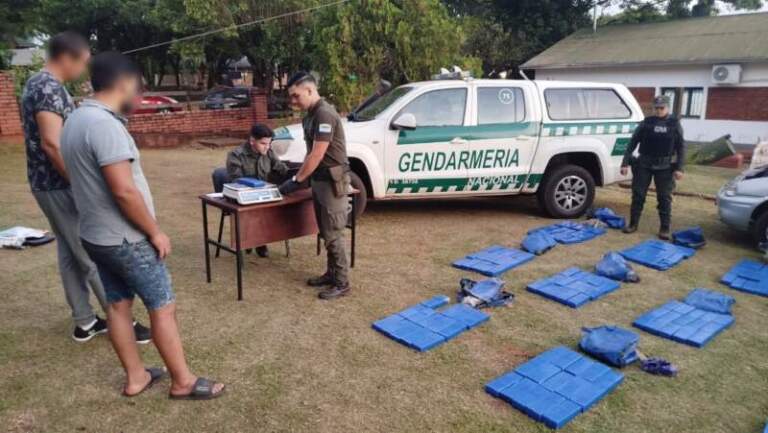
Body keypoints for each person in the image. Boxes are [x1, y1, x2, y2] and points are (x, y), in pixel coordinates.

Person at [61, 51, 224, 399]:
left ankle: (136, 377)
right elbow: (123, 189)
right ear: (123, 84)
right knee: (162, 306)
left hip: (95, 236)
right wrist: (154, 231)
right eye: (137, 88)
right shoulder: (105, 126)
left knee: (118, 305)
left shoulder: (76, 120)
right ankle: (183, 381)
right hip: (126, 239)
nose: (139, 96)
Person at [21, 31, 150, 343]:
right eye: (84, 62)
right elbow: (52, 144)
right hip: (57, 184)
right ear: (67, 58)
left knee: (69, 251)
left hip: (47, 184)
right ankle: (123, 319)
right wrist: (79, 185)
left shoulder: (40, 84)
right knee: (89, 253)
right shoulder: (48, 87)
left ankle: (84, 320)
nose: (85, 71)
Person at [279, 72, 351, 300]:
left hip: (332, 181)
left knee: (333, 233)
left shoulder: (324, 114)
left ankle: (342, 282)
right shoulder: (309, 115)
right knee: (324, 230)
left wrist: (296, 181)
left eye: (296, 96)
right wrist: (300, 176)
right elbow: (310, 153)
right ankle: (331, 274)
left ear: (310, 90)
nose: (293, 101)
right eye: (291, 97)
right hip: (319, 180)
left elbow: (317, 154)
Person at [620, 95, 685, 240]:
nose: (659, 110)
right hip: (644, 164)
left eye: (662, 108)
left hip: (665, 166)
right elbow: (632, 143)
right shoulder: (646, 123)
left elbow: (681, 147)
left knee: (664, 198)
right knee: (638, 195)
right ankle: (633, 224)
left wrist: (680, 168)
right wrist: (624, 163)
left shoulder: (674, 124)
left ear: (667, 108)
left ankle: (665, 228)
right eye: (656, 108)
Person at [225, 123, 290, 257]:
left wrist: (295, 173)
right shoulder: (236, 155)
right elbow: (236, 181)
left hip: (262, 195)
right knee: (257, 208)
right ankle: (253, 241)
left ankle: (260, 239)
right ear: (252, 141)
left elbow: (281, 168)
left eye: (269, 143)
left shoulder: (268, 152)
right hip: (243, 196)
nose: (267, 147)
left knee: (281, 206)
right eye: (263, 143)